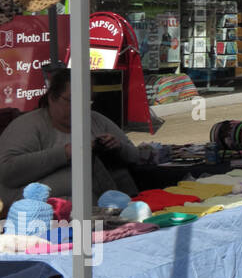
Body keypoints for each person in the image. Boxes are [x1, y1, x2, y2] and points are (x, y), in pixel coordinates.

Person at [0, 68, 140, 209]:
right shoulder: (28, 125)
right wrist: (66, 153)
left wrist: (118, 147)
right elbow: (7, 172)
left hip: (110, 205)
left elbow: (135, 156)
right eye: (72, 100)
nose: (79, 107)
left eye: (86, 101)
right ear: (52, 98)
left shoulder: (96, 121)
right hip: (36, 209)